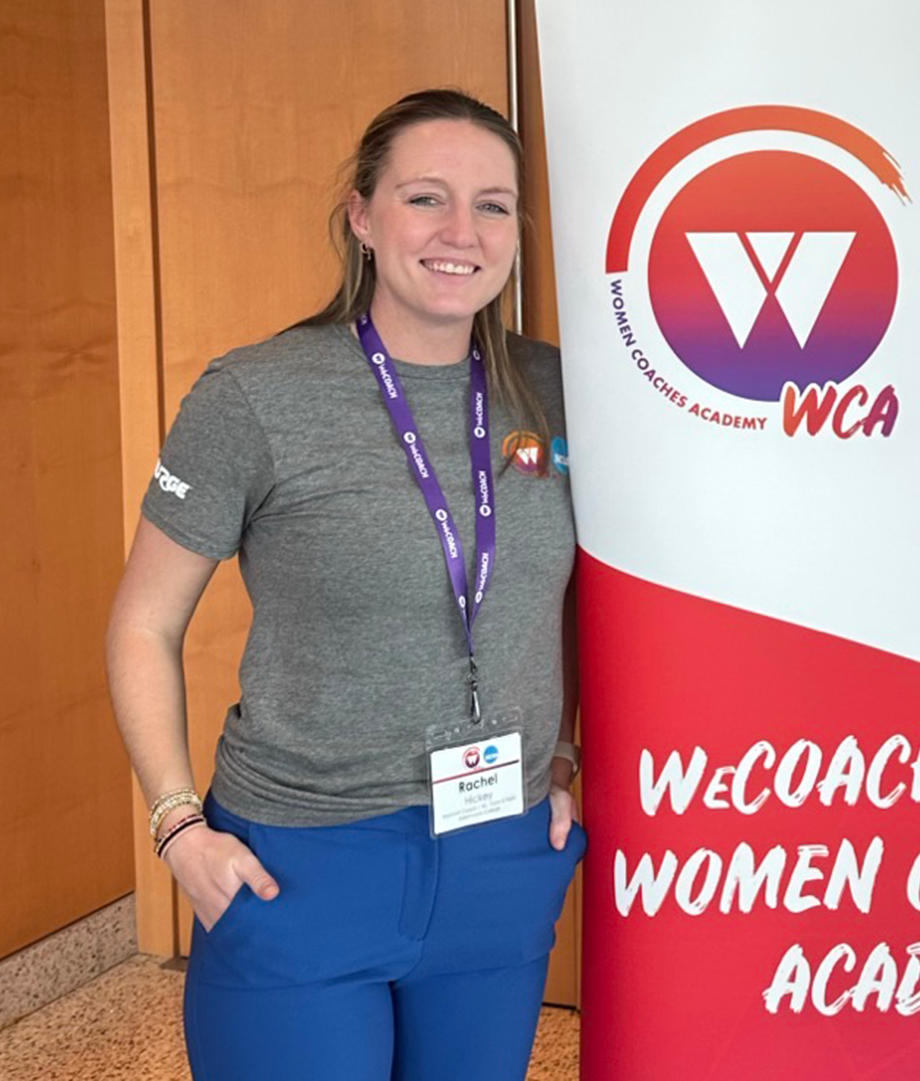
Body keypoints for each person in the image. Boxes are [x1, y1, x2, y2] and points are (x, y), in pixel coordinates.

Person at [105, 89, 584, 1080]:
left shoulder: (560, 392)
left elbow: (597, 601)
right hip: (301, 863)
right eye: (426, 199)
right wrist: (177, 825)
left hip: (500, 852)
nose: (463, 232)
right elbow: (143, 621)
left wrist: (571, 755)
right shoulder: (258, 396)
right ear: (362, 217)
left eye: (493, 205)